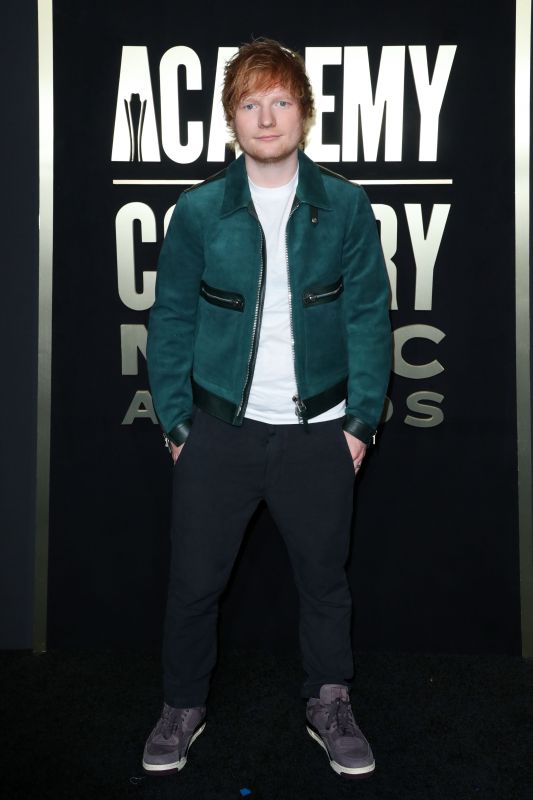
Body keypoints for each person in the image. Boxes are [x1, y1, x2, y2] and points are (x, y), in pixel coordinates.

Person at [143, 38, 391, 779]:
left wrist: (358, 424)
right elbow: (171, 323)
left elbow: (369, 319)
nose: (265, 115)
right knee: (193, 584)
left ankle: (329, 701)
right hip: (218, 430)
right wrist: (179, 425)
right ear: (230, 119)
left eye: (280, 99)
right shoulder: (198, 212)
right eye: (249, 102)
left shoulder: (344, 206)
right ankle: (181, 706)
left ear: (304, 113)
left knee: (324, 582)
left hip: (320, 433)